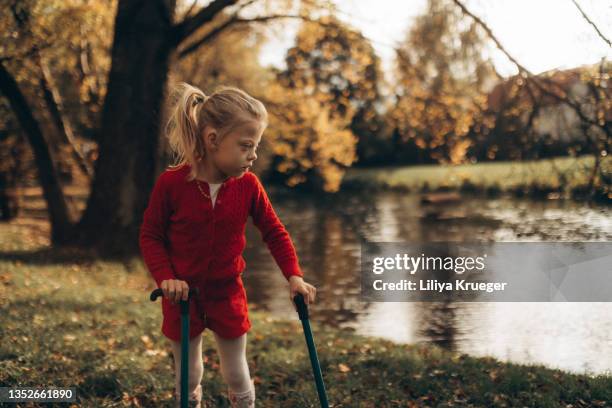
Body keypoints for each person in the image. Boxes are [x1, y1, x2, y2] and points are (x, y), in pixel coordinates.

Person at [139, 83, 317, 408]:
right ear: (212, 139)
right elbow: (151, 235)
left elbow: (274, 231)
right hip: (182, 296)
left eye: (256, 145)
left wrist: (293, 275)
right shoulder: (173, 183)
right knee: (189, 375)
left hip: (227, 293)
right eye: (246, 145)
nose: (254, 155)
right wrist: (166, 277)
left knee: (237, 373)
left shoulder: (248, 185)